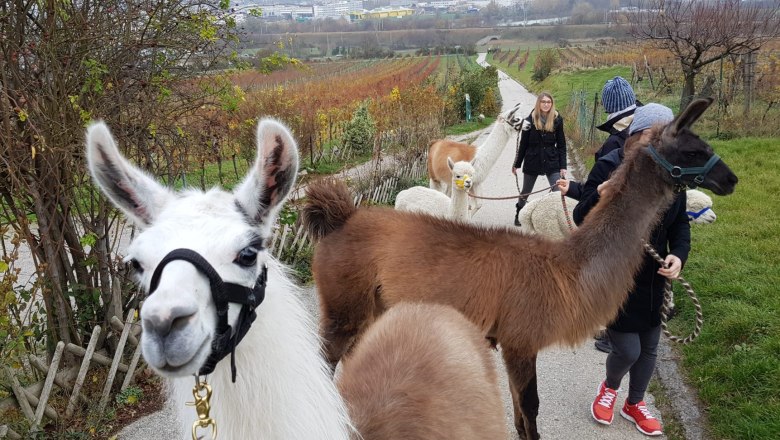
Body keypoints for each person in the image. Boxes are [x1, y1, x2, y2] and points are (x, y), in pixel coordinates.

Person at [576, 103, 690, 437]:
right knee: (628, 349)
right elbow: (580, 218)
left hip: (653, 279)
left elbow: (680, 225)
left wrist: (679, 256)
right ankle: (610, 388)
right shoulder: (609, 168)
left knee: (650, 348)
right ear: (634, 138)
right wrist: (599, 198)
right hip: (615, 276)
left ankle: (635, 403)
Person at [558, 76, 640, 202]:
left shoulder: (614, 142)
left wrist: (573, 189)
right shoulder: (649, 130)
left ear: (608, 107)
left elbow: (601, 189)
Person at [512, 92, 567, 226]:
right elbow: (523, 144)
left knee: (557, 191)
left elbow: (561, 145)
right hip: (532, 160)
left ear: (552, 104)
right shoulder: (529, 121)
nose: (546, 104)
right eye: (543, 102)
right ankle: (519, 212)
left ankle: (556, 218)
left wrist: (563, 166)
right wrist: (516, 164)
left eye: (549, 102)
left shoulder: (557, 120)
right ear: (538, 103)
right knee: (526, 191)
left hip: (551, 160)